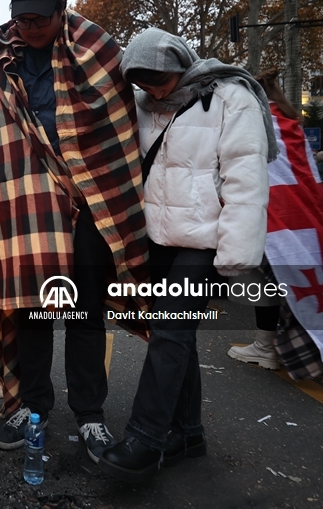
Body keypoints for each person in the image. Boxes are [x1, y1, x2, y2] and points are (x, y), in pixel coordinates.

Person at [0, 0, 149, 466]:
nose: (30, 28)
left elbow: (119, 126)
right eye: (22, 19)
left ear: (62, 8)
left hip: (89, 205)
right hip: (28, 208)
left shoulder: (99, 52)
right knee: (29, 308)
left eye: (40, 18)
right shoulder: (0, 66)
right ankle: (31, 406)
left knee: (84, 314)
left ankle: (90, 413)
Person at [99, 27, 274, 482]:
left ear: (181, 64)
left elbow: (246, 176)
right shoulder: (143, 105)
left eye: (161, 80)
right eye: (144, 84)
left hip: (207, 241)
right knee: (175, 336)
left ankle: (146, 437)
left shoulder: (230, 97)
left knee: (171, 331)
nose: (155, 91)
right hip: (157, 240)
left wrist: (236, 256)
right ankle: (187, 431)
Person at [227, 71, 323, 376]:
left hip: (272, 218)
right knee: (293, 285)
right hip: (306, 220)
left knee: (266, 286)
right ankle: (280, 345)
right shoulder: (288, 121)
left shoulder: (253, 120)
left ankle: (266, 346)